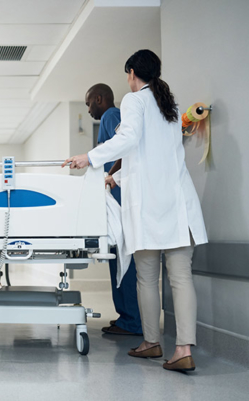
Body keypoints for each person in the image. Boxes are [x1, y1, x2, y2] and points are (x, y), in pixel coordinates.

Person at [64, 49, 208, 372]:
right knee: (181, 278)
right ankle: (183, 348)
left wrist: (90, 157)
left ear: (132, 73)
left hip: (149, 207)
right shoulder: (167, 103)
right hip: (178, 202)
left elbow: (129, 140)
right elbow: (150, 153)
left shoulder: (135, 100)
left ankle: (151, 342)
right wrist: (114, 176)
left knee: (146, 278)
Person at [85, 83, 143, 337]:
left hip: (119, 196)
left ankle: (132, 320)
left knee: (123, 259)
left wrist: (110, 174)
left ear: (99, 98)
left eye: (89, 103)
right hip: (114, 194)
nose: (88, 110)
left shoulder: (111, 116)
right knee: (117, 258)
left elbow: (125, 146)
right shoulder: (109, 119)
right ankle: (125, 317)